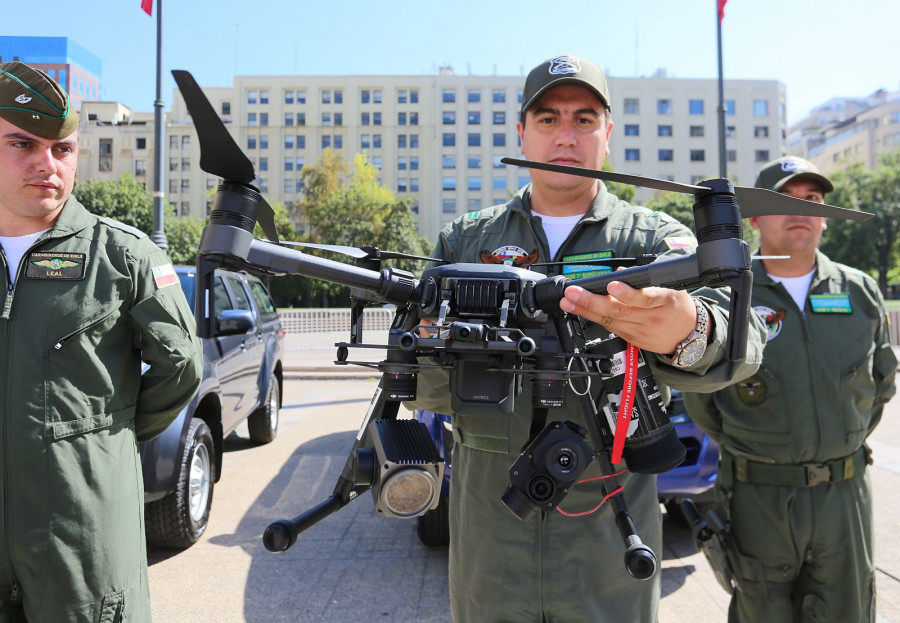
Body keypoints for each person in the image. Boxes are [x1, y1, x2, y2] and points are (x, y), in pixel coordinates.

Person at [410, 54, 766, 622]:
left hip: (611, 521)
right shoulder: (464, 240)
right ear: (522, 133)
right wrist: (447, 347)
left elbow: (743, 340)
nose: (565, 136)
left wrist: (685, 329)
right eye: (548, 120)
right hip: (488, 522)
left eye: (584, 119)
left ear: (608, 134)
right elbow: (420, 387)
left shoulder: (655, 238)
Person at [0, 61, 202, 622]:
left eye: (62, 149)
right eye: (23, 143)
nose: (47, 164)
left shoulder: (123, 257)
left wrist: (100, 440)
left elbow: (181, 365)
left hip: (80, 538)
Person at [683, 156, 897, 622]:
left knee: (849, 610)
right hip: (759, 496)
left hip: (844, 496)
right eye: (785, 199)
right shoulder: (724, 293)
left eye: (814, 199)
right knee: (763, 612)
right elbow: (704, 403)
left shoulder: (859, 291)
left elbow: (878, 390)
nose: (803, 209)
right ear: (754, 217)